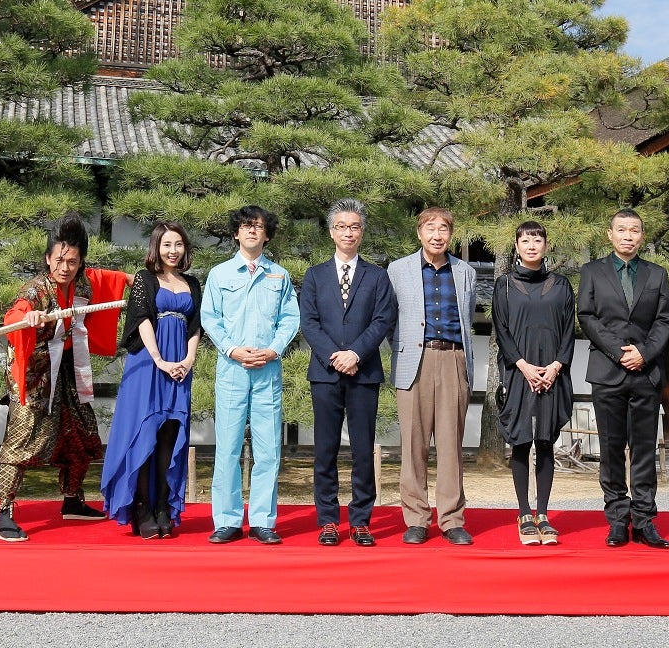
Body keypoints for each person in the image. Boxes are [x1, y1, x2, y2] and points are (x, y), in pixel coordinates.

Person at [0, 213, 131, 542]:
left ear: (80, 263)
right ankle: (4, 512)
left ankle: (72, 499)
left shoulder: (84, 281)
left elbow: (116, 278)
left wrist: (143, 280)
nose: (65, 267)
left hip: (68, 367)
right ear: (47, 259)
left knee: (80, 429)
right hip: (35, 373)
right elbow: (15, 312)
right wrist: (30, 317)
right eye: (59, 260)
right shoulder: (37, 290)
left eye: (72, 261)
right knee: (22, 437)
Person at [299, 199, 397, 547]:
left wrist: (355, 353)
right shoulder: (315, 275)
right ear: (331, 232)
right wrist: (333, 355)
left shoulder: (377, 276)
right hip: (325, 373)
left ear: (362, 231)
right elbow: (308, 322)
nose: (348, 232)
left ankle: (360, 520)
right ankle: (327, 520)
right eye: (341, 226)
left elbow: (383, 319)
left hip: (364, 371)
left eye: (354, 226)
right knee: (324, 448)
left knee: (361, 450)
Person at [201, 205, 300, 545]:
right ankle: (227, 520)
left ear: (267, 234)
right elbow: (210, 317)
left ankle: (262, 520)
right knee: (227, 448)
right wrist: (231, 348)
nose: (252, 231)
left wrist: (274, 349)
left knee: (268, 448)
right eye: (246, 226)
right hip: (231, 370)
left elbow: (290, 318)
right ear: (236, 233)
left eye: (259, 227)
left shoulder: (280, 275)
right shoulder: (219, 274)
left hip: (267, 369)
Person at [578, 208, 669, 550]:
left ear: (641, 237)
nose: (628, 236)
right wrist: (619, 352)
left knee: (645, 449)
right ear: (610, 234)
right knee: (612, 449)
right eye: (622, 230)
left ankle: (645, 520)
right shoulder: (591, 272)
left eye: (634, 230)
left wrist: (644, 353)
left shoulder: (656, 274)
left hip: (646, 372)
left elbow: (664, 320)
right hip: (608, 371)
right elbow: (587, 317)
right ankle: (618, 520)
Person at [99, 222, 203, 538]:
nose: (173, 251)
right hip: (148, 362)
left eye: (179, 244)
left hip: (180, 367)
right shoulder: (146, 279)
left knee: (170, 437)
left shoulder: (193, 283)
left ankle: (162, 507)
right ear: (156, 248)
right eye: (167, 245)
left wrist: (187, 360)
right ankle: (143, 508)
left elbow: (196, 326)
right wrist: (159, 360)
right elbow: (142, 318)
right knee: (145, 434)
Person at [388, 207, 477, 546]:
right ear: (419, 233)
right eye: (430, 228)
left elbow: (468, 318)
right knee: (414, 443)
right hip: (415, 360)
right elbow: (389, 319)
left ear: (450, 235)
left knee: (451, 444)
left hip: (454, 359)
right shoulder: (398, 270)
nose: (437, 235)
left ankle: (452, 518)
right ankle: (416, 518)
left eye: (443, 229)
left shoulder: (466, 271)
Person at [491, 220, 574, 546]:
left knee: (545, 441)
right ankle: (524, 512)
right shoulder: (505, 285)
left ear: (546, 245)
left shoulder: (562, 285)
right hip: (518, 370)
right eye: (525, 240)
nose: (531, 245)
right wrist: (524, 366)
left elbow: (569, 330)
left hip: (553, 372)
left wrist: (554, 367)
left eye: (537, 240)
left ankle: (543, 513)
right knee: (522, 440)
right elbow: (502, 330)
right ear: (516, 246)